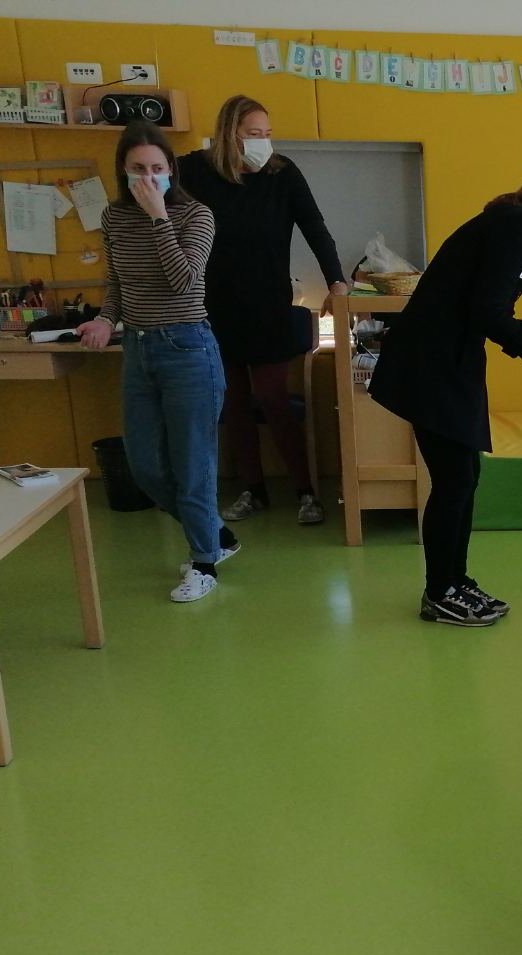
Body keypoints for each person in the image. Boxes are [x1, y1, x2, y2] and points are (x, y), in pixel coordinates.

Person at [372, 156, 522, 627]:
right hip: (431, 365)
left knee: (463, 478)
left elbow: (489, 310)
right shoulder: (513, 225)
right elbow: (488, 314)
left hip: (446, 363)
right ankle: (441, 591)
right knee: (455, 481)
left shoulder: (514, 226)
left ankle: (453, 582)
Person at [179, 95, 349, 528]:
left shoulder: (282, 173)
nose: (262, 142)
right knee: (233, 402)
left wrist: (337, 281)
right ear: (229, 134)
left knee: (273, 400)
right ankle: (253, 490)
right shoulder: (194, 171)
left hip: (269, 304)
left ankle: (306, 491)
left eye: (267, 134)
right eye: (253, 134)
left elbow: (315, 227)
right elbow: (151, 189)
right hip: (215, 306)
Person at [78, 121, 228, 604]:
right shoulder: (113, 217)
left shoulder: (195, 215)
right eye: (138, 169)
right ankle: (216, 534)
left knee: (192, 465)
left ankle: (204, 562)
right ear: (122, 171)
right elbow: (116, 282)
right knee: (143, 466)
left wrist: (159, 217)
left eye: (157, 168)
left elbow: (184, 280)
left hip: (188, 349)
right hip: (139, 350)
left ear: (171, 170)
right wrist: (105, 319)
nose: (148, 177)